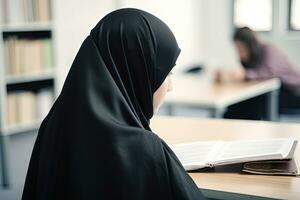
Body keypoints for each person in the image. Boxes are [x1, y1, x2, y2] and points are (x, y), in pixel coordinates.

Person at [22, 8, 205, 200]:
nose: (170, 87)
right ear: (138, 71)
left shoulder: (50, 126)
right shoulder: (144, 150)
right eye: (167, 73)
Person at [216, 27, 300, 119]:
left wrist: (245, 75)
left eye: (241, 49)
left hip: (292, 91)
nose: (239, 53)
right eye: (237, 49)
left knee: (257, 106)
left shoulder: (269, 49)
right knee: (235, 106)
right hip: (271, 91)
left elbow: (270, 73)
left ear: (250, 45)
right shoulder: (248, 58)